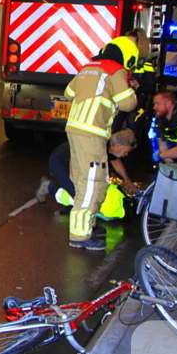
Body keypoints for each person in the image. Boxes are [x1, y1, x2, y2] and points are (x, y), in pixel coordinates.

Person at [63, 35, 139, 251]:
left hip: (75, 129)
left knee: (82, 180)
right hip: (92, 132)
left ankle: (86, 226)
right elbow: (128, 103)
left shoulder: (89, 67)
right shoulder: (115, 70)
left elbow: (68, 94)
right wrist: (131, 86)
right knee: (93, 182)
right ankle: (80, 236)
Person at [37, 129, 138, 209]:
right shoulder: (97, 146)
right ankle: (49, 187)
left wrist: (127, 180)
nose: (126, 154)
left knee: (85, 194)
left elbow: (115, 161)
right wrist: (74, 177)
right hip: (60, 162)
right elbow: (75, 156)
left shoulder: (108, 146)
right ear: (118, 146)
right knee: (79, 198)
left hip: (74, 163)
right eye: (126, 151)